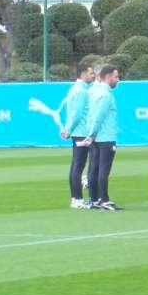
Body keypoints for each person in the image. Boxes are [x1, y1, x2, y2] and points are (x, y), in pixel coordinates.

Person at [78, 65, 122, 211]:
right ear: (108, 77)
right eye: (116, 77)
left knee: (94, 168)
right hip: (105, 136)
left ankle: (94, 199)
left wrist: (90, 134)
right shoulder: (105, 94)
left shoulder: (93, 92)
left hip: (96, 137)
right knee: (103, 169)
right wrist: (92, 133)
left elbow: (91, 115)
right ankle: (104, 199)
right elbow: (99, 116)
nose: (118, 79)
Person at [60, 64, 95, 209]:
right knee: (78, 165)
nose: (93, 75)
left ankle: (77, 197)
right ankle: (77, 199)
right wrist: (69, 129)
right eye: (91, 73)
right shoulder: (81, 91)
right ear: (83, 74)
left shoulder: (77, 89)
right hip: (81, 132)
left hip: (78, 132)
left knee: (77, 165)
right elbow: (78, 113)